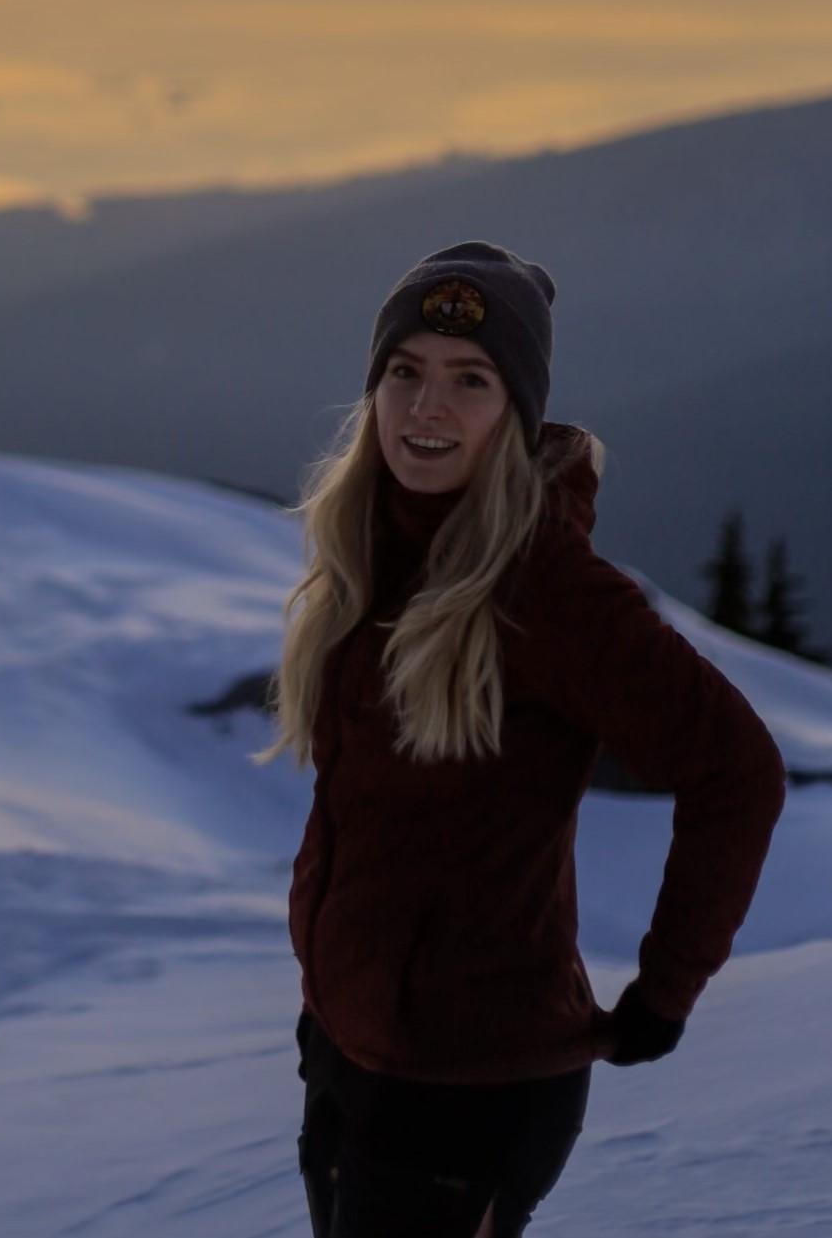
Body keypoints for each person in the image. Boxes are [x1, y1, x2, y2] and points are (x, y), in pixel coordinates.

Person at [262, 241, 787, 1237]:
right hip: (348, 1050)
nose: (426, 407)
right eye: (403, 371)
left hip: (466, 1087)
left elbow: (736, 771)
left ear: (515, 408)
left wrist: (664, 992)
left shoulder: (543, 588)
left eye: (470, 380)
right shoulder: (374, 550)